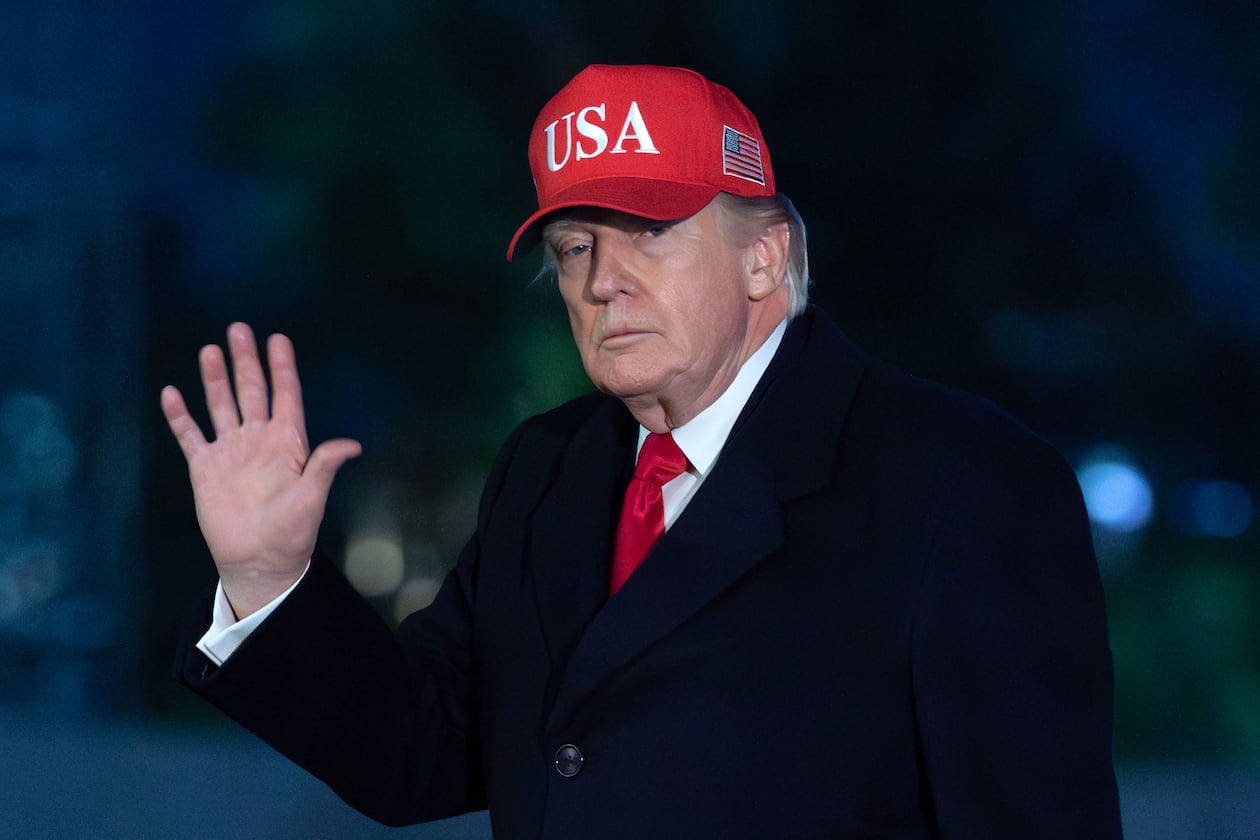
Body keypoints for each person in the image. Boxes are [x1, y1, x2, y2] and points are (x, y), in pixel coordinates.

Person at [163, 64, 1123, 838]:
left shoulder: (962, 483)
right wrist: (269, 579)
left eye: (651, 231)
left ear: (765, 256)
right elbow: (422, 751)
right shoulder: (547, 469)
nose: (603, 282)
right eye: (575, 247)